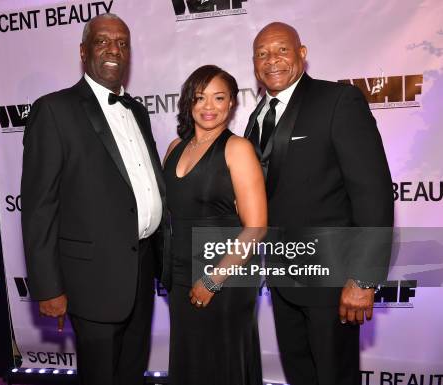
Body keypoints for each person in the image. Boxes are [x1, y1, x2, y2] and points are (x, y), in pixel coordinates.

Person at [245, 22, 394, 384]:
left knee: (333, 376)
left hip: (333, 281)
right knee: (301, 374)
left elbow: (373, 193)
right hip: (282, 278)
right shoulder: (257, 117)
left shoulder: (338, 101)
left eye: (281, 50)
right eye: (262, 54)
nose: (272, 60)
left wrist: (364, 278)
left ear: (302, 54)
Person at [20, 13, 165, 385]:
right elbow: (39, 207)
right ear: (84, 51)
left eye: (122, 43)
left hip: (141, 270)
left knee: (131, 370)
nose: (114, 49)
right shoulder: (54, 111)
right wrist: (49, 287)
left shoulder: (137, 111)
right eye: (103, 41)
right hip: (91, 278)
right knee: (100, 376)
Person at [162, 65, 267, 385]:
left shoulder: (238, 149)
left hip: (224, 276)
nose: (209, 107)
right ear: (188, 102)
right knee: (190, 362)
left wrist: (212, 280)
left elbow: (256, 226)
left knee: (222, 364)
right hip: (180, 273)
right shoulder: (174, 148)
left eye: (219, 98)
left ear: (232, 103)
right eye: (200, 98)